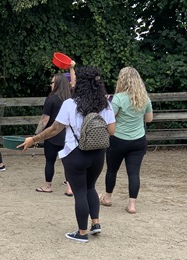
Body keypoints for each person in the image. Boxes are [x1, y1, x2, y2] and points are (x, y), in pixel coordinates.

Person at [18, 66, 116, 243]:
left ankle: (82, 232)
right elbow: (111, 130)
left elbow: (55, 129)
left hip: (75, 154)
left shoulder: (70, 104)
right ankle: (95, 223)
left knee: (79, 192)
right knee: (90, 187)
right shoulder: (105, 104)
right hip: (98, 154)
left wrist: (34, 139)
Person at [100, 67, 153, 214]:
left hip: (118, 139)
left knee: (112, 169)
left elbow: (109, 119)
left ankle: (108, 198)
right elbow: (149, 119)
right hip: (138, 140)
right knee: (134, 173)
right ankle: (131, 205)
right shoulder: (145, 99)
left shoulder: (118, 98)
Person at [34, 72, 73, 196]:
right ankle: (69, 187)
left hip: (52, 136)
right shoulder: (70, 98)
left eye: (52, 82)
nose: (50, 85)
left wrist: (37, 135)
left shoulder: (51, 99)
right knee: (67, 162)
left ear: (56, 84)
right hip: (67, 136)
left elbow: (44, 120)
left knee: (50, 161)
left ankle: (48, 185)